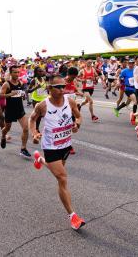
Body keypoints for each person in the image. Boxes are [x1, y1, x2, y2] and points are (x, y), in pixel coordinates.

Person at [29, 75, 85, 230]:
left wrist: (77, 125)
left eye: (63, 86)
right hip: (50, 146)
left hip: (66, 144)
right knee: (62, 177)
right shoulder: (43, 106)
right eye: (58, 87)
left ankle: (39, 160)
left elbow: (79, 117)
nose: (62, 89)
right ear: (49, 88)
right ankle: (73, 216)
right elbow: (32, 119)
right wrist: (34, 133)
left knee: (58, 171)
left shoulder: (70, 101)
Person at [0, 65, 30, 157]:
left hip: (20, 109)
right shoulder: (7, 84)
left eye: (18, 72)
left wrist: (23, 95)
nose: (17, 74)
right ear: (11, 73)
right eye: (15, 72)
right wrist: (10, 94)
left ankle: (23, 149)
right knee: (7, 129)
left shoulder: (20, 83)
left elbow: (20, 94)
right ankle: (3, 136)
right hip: (10, 110)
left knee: (26, 128)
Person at [114, 59, 138, 124]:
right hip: (128, 88)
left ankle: (117, 109)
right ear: (128, 64)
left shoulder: (136, 70)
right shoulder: (124, 71)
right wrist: (119, 82)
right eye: (130, 63)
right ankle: (133, 118)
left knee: (127, 103)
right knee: (135, 102)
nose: (131, 65)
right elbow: (119, 77)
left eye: (132, 63)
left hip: (135, 88)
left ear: (134, 64)